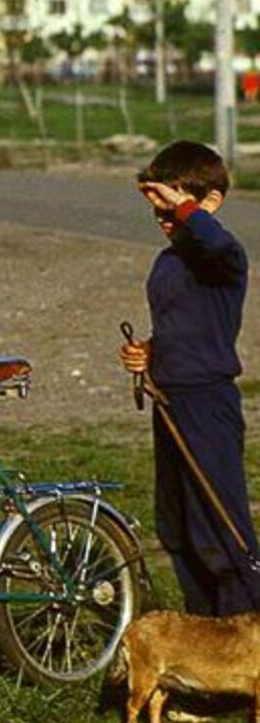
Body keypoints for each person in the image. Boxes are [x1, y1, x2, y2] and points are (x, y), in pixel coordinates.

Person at [117, 141, 260, 617]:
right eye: (157, 201)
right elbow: (186, 325)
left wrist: (184, 206)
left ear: (210, 203)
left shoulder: (223, 257)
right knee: (176, 529)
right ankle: (205, 637)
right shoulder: (168, 261)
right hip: (170, 400)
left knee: (219, 529)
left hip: (208, 403)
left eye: (173, 199)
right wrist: (149, 353)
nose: (161, 211)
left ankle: (245, 635)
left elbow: (215, 242)